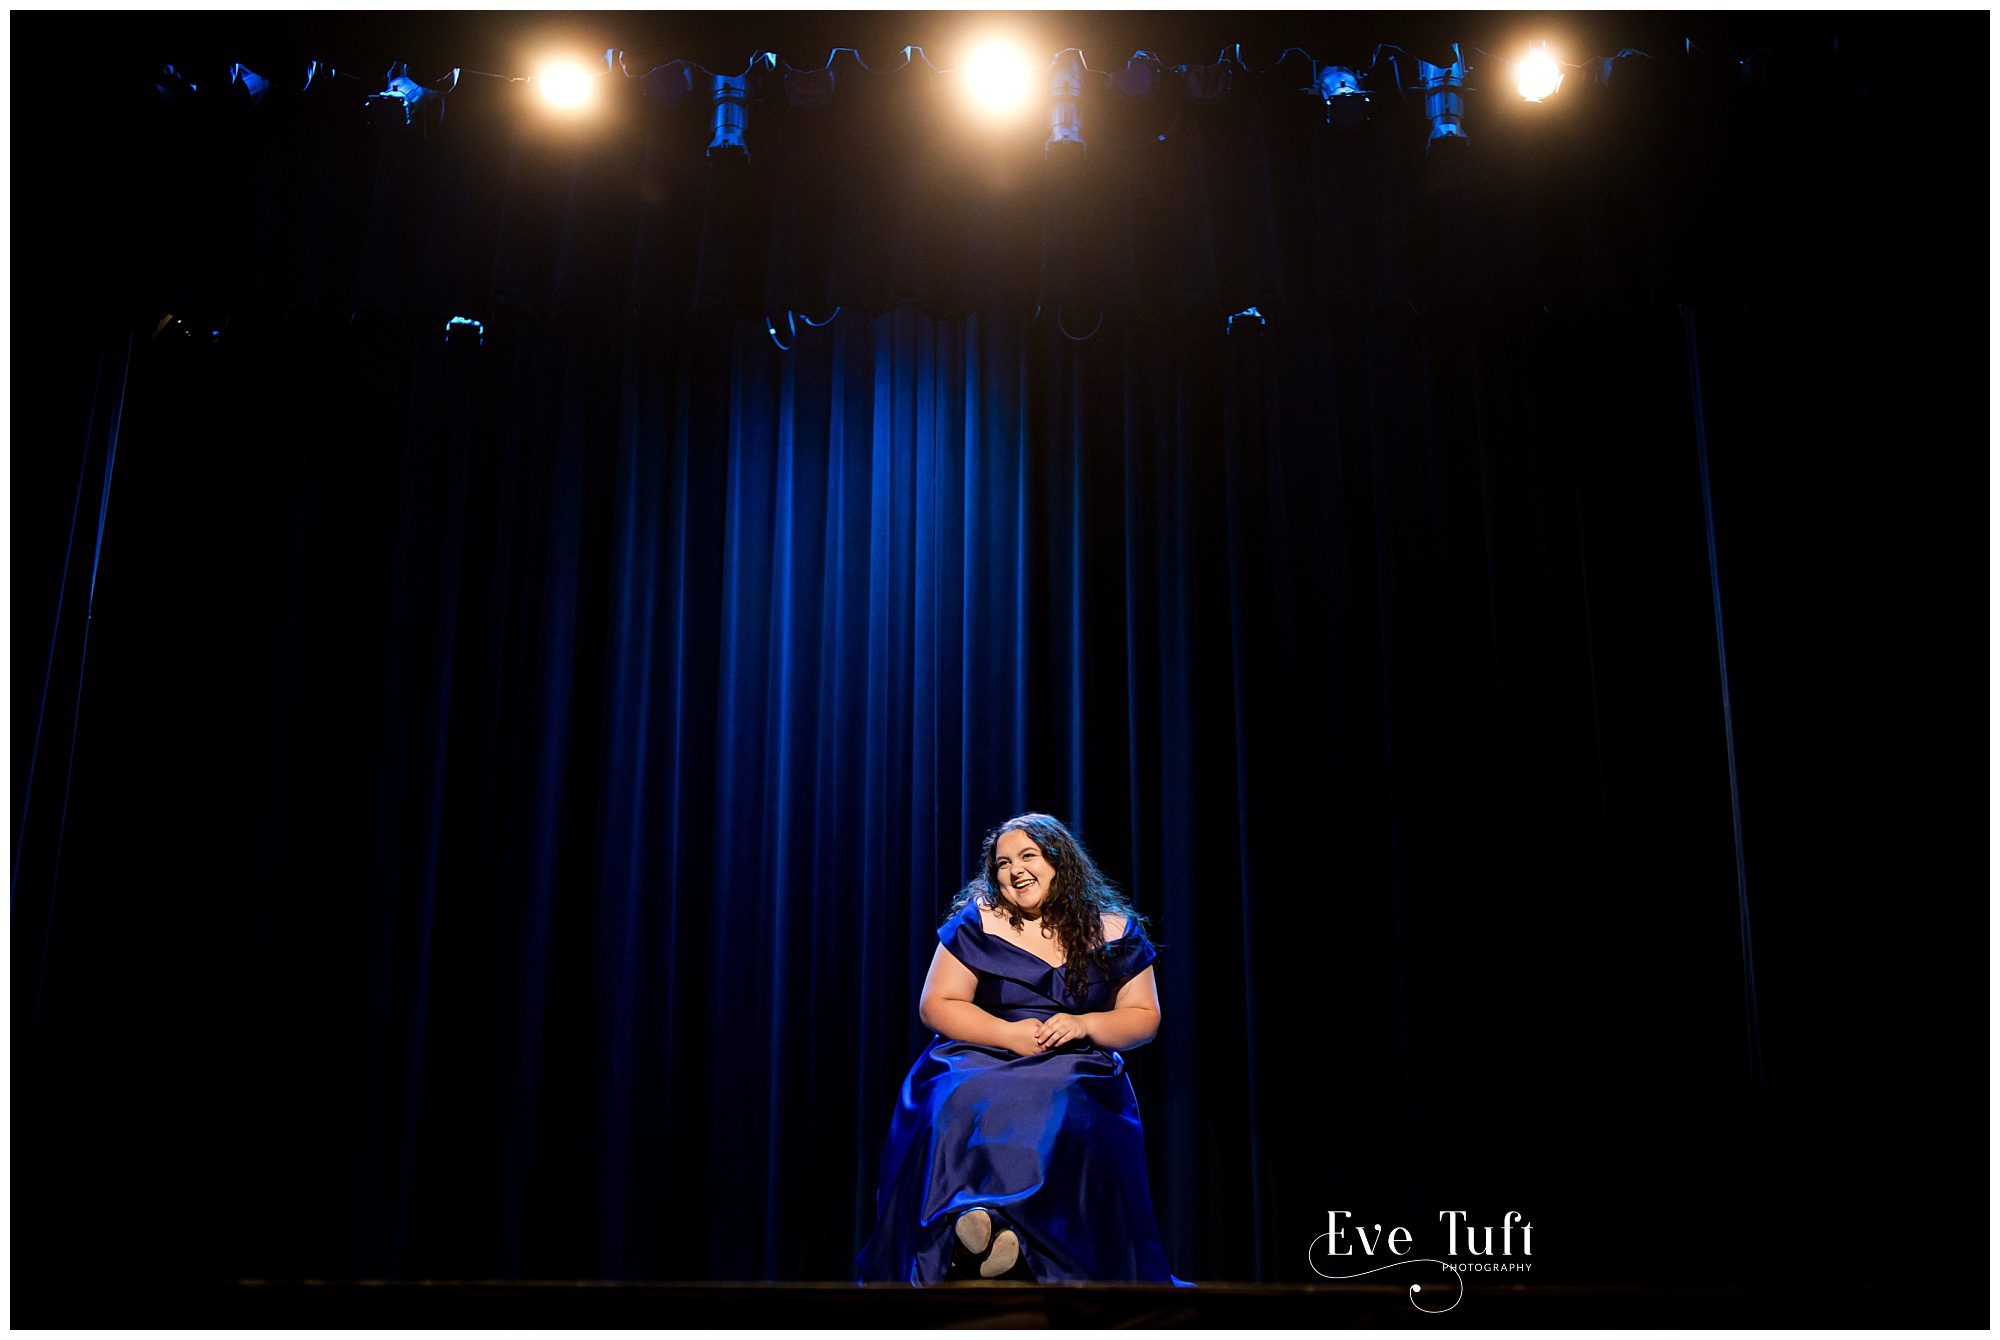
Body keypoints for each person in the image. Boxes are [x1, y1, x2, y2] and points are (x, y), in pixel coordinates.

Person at [852, 813, 1185, 1284]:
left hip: (1073, 1057)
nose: (1014, 870)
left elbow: (1143, 1018)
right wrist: (1008, 1035)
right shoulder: (980, 923)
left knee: (1060, 1097)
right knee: (959, 1096)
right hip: (982, 1047)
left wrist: (1083, 1023)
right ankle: (974, 1224)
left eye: (1028, 855)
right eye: (1003, 862)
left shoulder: (1114, 929)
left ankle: (1018, 1236)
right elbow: (937, 1004)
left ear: (1060, 861)